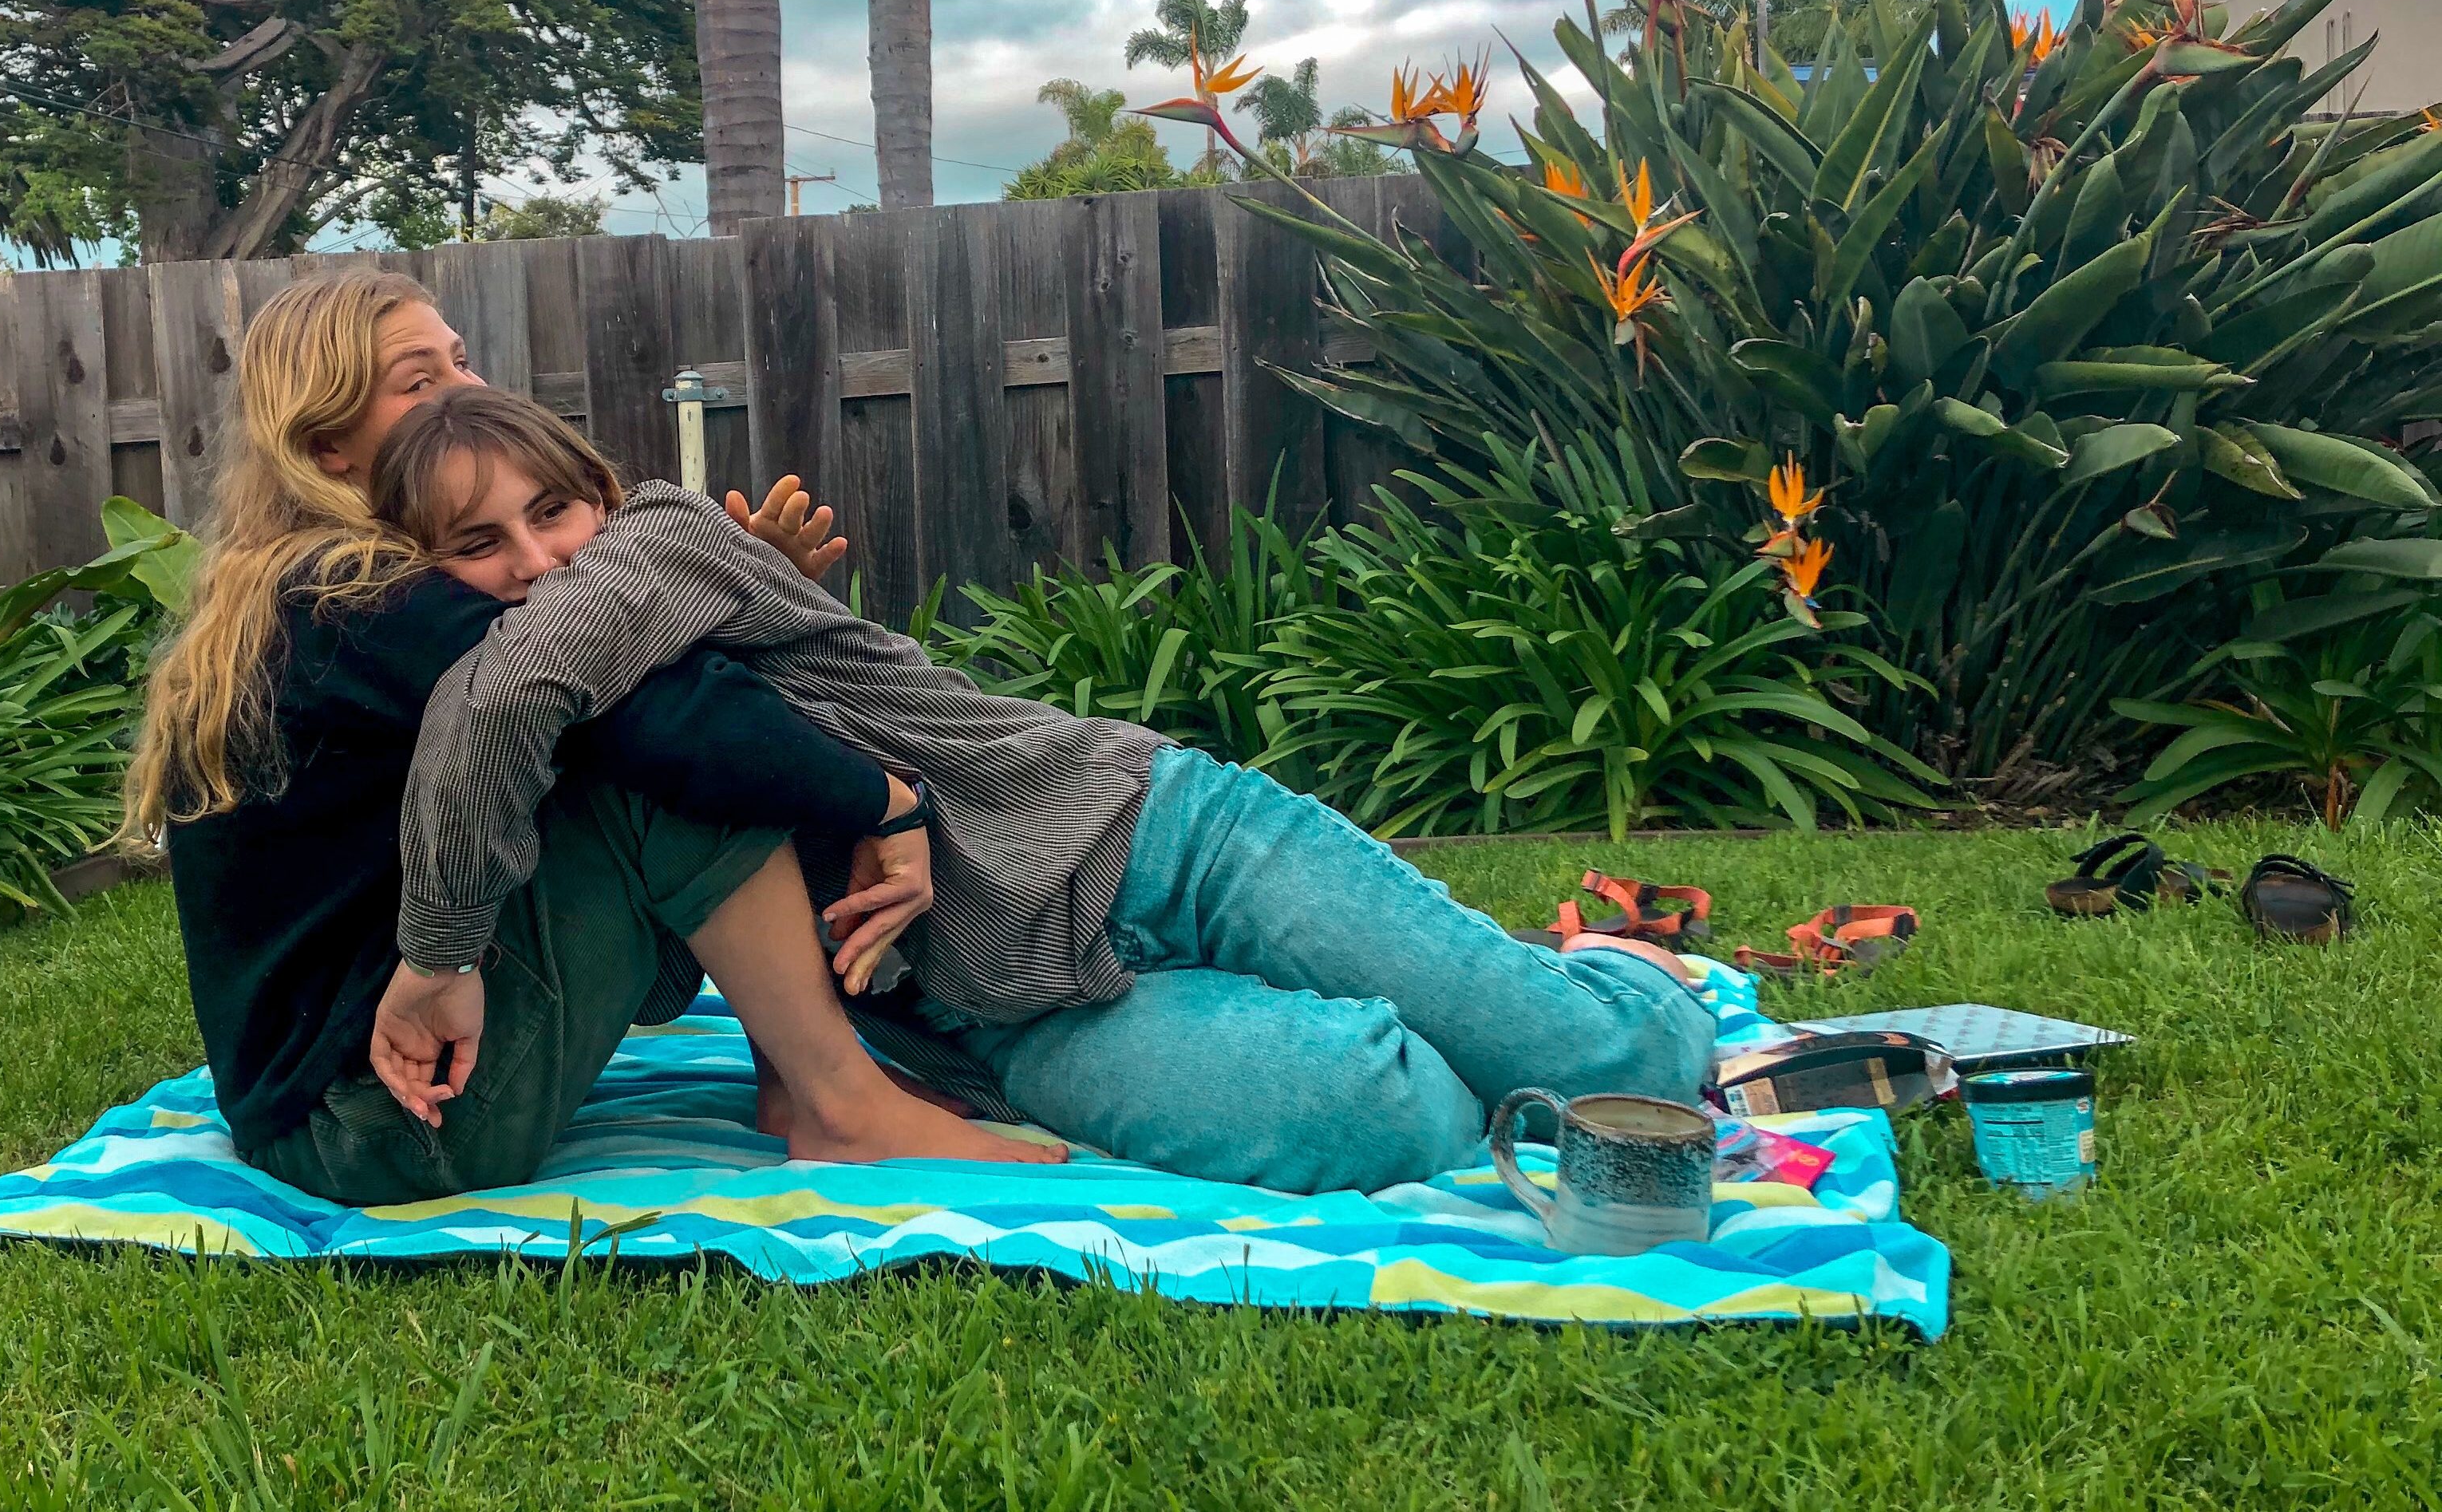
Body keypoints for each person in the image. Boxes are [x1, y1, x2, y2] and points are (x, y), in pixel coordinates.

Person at [373, 387, 1717, 1197]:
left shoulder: (658, 537)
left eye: (553, 511)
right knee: (1401, 1114)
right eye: (477, 545)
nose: (536, 560)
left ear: (601, 496)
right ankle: (1445, 994)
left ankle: (1605, 968)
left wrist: (432, 957)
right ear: (426, 573)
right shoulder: (548, 742)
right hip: (1012, 1013)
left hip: (1158, 836)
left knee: (1627, 1065)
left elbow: (509, 683)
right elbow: (659, 966)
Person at [121, 270, 1054, 1210]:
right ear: (327, 448)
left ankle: (806, 1079)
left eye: (462, 360)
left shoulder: (312, 584)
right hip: (378, 1125)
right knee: (673, 746)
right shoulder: (362, 594)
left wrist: (734, 598)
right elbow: (665, 719)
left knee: (701, 715)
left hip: (348, 1106)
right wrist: (889, 800)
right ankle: (841, 1105)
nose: (468, 394)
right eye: (420, 382)